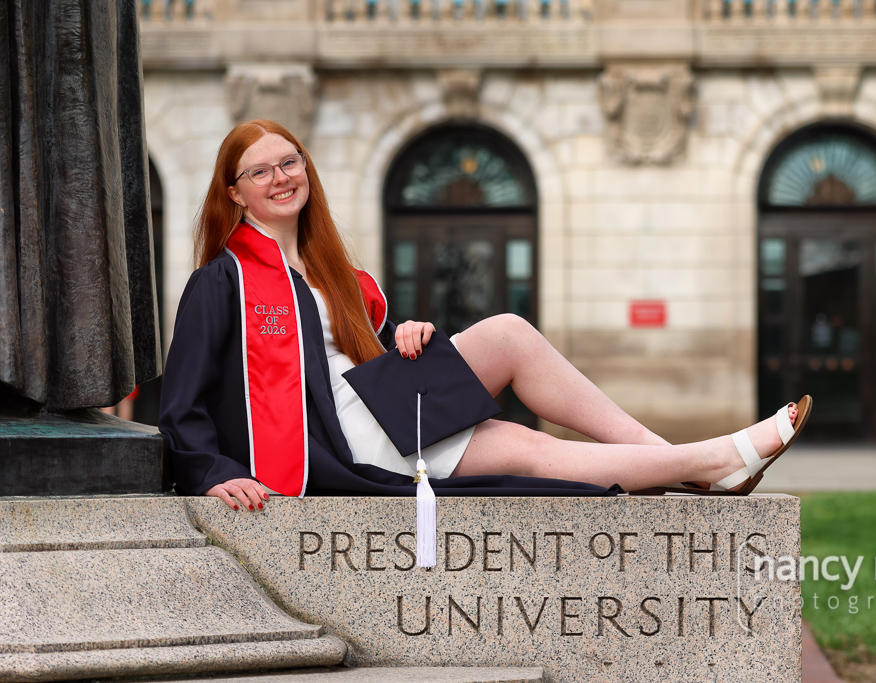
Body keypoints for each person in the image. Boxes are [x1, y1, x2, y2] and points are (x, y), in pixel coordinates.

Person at [159, 119, 811, 511]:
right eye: (259, 170)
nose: (280, 176)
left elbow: (365, 354)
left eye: (289, 161)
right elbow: (181, 399)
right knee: (517, 402)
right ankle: (714, 459)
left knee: (518, 384)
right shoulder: (222, 283)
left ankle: (694, 462)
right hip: (339, 439)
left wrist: (404, 335)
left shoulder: (340, 275)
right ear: (235, 192)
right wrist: (214, 472)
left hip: (381, 404)